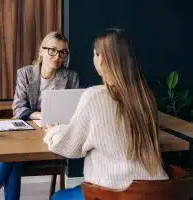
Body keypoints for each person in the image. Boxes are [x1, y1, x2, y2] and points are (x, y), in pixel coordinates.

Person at [43, 28, 169, 200]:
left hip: (112, 193)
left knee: (58, 197)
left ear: (100, 59)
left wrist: (52, 132)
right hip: (155, 192)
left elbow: (70, 146)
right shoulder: (146, 97)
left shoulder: (94, 97)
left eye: (95, 54)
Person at [0, 31, 79, 200]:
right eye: (52, 50)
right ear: (42, 50)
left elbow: (73, 112)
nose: (57, 56)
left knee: (12, 154)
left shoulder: (71, 77)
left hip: (52, 137)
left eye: (62, 52)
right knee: (14, 156)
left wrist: (48, 120)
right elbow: (19, 108)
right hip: (26, 137)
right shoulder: (25, 74)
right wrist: (40, 116)